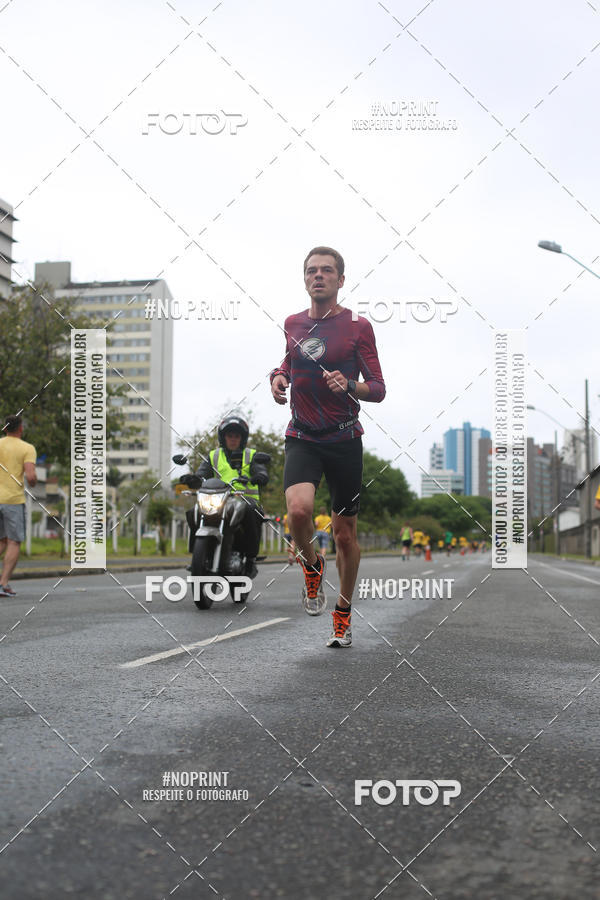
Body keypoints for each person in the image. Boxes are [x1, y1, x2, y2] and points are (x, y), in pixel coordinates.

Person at [270, 245, 385, 647]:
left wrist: (351, 384)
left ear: (340, 279)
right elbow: (289, 362)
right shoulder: (293, 323)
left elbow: (379, 388)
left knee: (344, 535)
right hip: (302, 434)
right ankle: (313, 567)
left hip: (343, 438)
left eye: (326, 271)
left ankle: (342, 612)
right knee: (298, 511)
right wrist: (277, 377)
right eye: (311, 271)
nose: (318, 276)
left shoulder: (358, 326)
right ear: (304, 279)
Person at [190, 414, 269, 578]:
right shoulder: (214, 456)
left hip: (245, 499)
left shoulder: (251, 455)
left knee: (251, 510)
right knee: (194, 511)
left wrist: (258, 476)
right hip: (220, 499)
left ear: (242, 438)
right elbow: (202, 474)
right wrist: (193, 479)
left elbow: (261, 471)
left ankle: (250, 560)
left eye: (236, 436)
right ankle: (197, 556)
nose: (233, 439)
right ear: (223, 437)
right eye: (229, 435)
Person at [0, 415, 37, 596]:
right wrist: (33, 481)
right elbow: (30, 476)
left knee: (1, 541)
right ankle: (3, 583)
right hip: (13, 501)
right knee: (14, 541)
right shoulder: (27, 448)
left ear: (5, 428)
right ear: (20, 428)